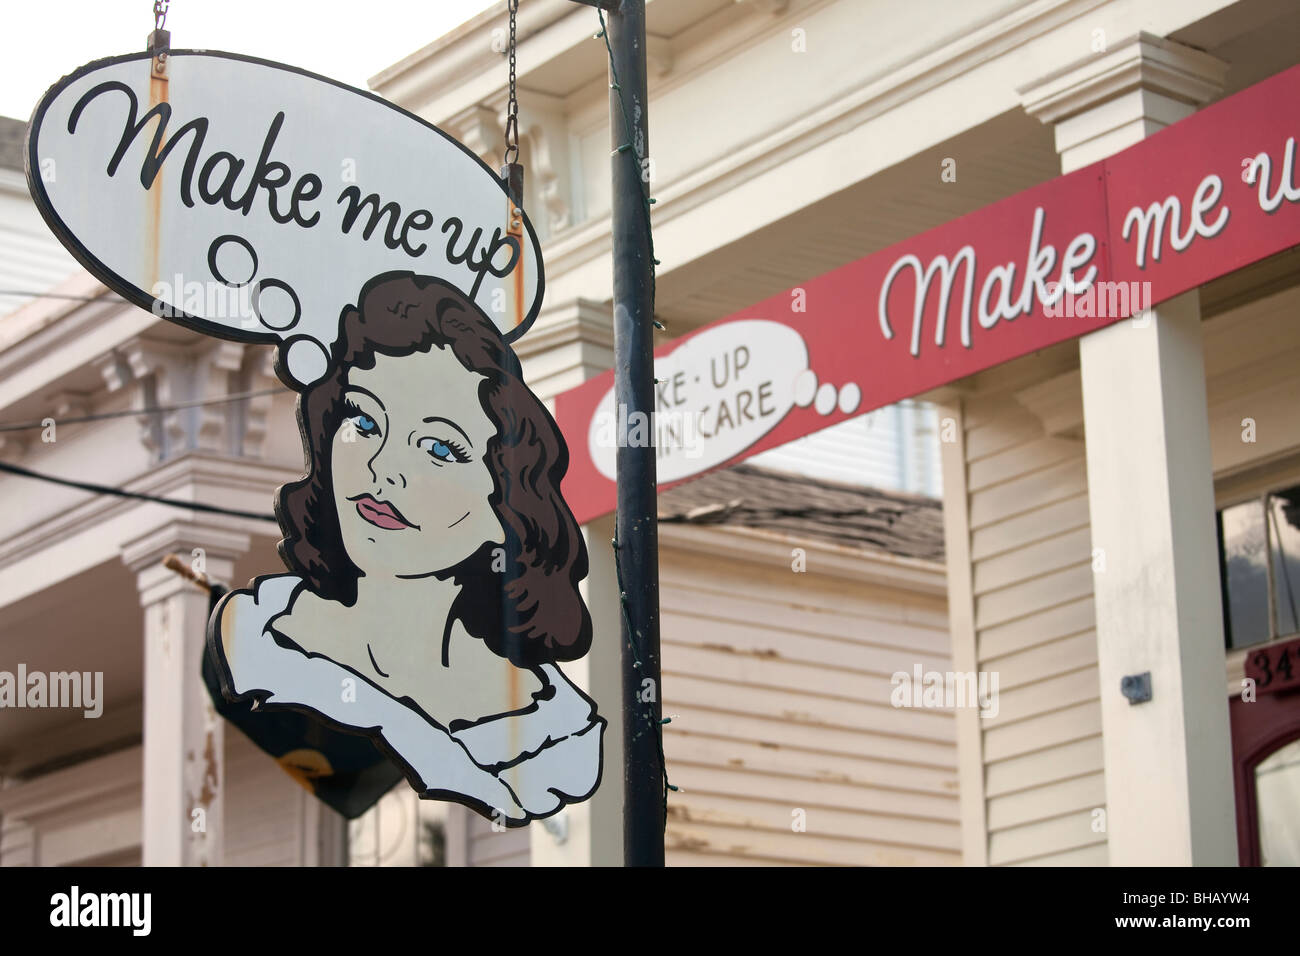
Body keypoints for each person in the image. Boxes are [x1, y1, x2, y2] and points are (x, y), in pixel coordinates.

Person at [208, 271, 603, 825]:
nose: (382, 467)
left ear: (505, 507)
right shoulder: (262, 638)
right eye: (365, 420)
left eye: (440, 447)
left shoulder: (544, 730)